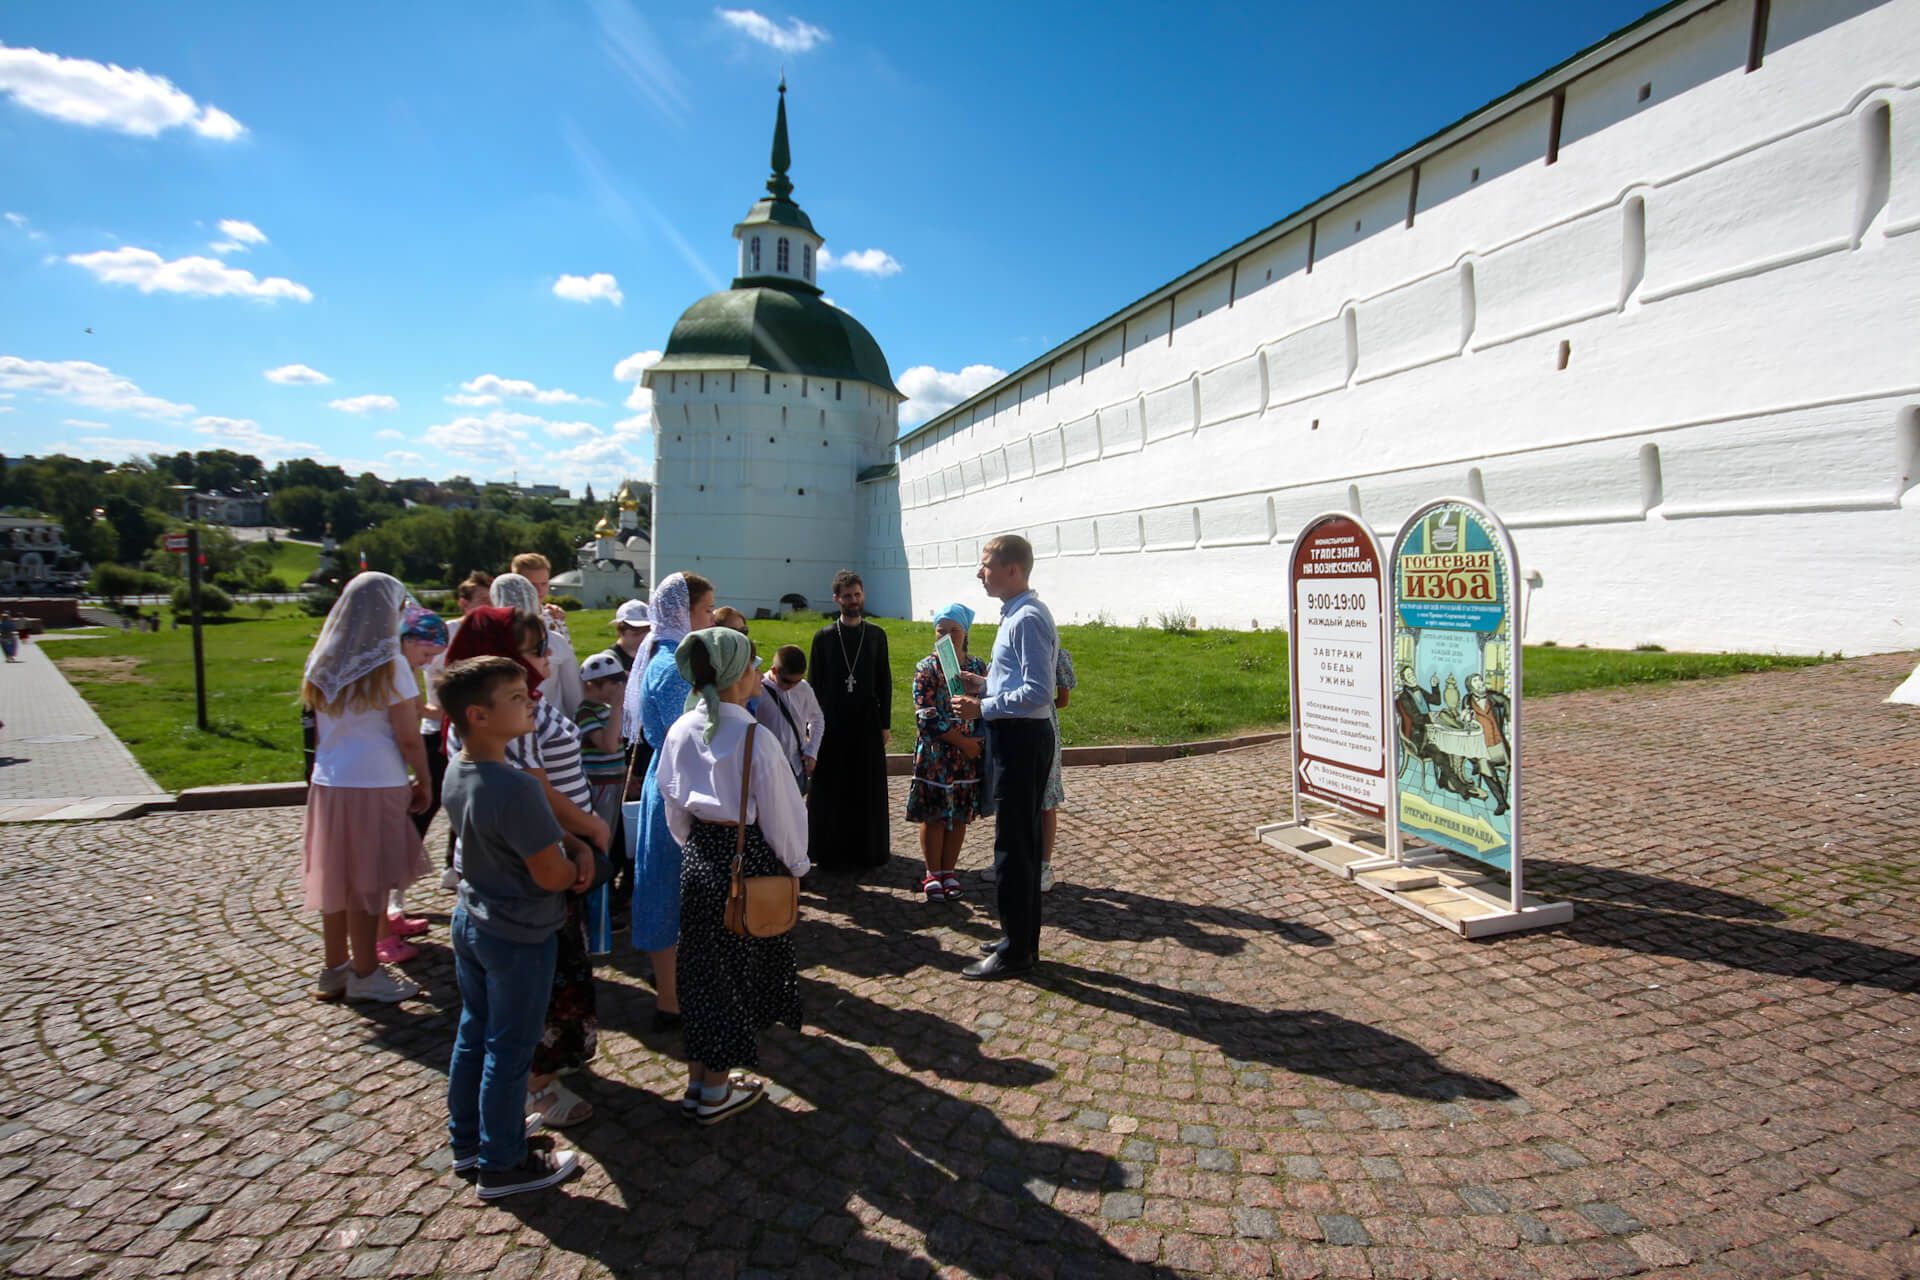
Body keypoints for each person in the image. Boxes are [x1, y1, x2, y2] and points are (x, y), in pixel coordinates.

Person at [444, 606, 608, 1130]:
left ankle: (472, 1133)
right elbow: (534, 790)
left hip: (506, 879)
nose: (544, 658)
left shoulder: (487, 727)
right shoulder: (504, 728)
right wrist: (585, 840)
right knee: (519, 1024)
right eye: (534, 648)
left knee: (491, 1023)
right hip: (529, 884)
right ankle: (513, 1129)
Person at [435, 654, 588, 1200]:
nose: (532, 703)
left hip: (473, 917)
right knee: (511, 1046)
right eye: (518, 698)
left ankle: (471, 1141)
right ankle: (504, 1162)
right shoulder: (516, 788)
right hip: (519, 931)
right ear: (478, 714)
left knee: (474, 1034)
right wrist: (579, 867)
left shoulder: (459, 767)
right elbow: (550, 874)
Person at [656, 627, 807, 1124]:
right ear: (736, 675)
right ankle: (716, 1091)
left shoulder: (681, 729)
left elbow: (673, 806)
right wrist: (796, 866)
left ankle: (701, 1080)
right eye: (750, 664)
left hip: (700, 857)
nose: (756, 670)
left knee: (700, 971)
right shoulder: (753, 737)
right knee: (734, 974)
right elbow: (783, 814)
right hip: (748, 860)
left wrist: (696, 848)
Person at [299, 572, 433, 1004]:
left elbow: (318, 728)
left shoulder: (322, 658)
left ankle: (334, 966)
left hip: (330, 779)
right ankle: (366, 971)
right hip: (377, 779)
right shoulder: (389, 662)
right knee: (369, 882)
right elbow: (408, 734)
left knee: (336, 879)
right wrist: (425, 779)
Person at [953, 535, 1057, 981]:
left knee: (1014, 848)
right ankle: (1020, 937)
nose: (981, 573)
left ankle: (1016, 951)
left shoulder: (1027, 618)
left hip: (1021, 738)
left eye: (986, 564)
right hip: (1018, 735)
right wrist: (983, 683)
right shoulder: (1016, 614)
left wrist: (983, 707)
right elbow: (1018, 676)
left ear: (1012, 569)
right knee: (1020, 843)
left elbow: (1039, 691)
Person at [629, 571, 715, 1032]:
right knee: (669, 890)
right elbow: (690, 738)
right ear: (683, 612)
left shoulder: (665, 655)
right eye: (705, 611)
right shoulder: (674, 665)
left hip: (669, 782)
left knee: (671, 888)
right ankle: (670, 998)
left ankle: (674, 985)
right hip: (678, 789)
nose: (711, 618)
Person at [806, 569, 892, 873]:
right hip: (832, 721)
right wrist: (811, 724)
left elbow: (884, 681)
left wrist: (885, 723)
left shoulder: (877, 635)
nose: (853, 601)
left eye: (857, 595)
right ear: (836, 599)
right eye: (847, 596)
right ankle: (829, 848)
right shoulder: (824, 637)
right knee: (833, 785)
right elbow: (814, 683)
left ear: (862, 595)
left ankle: (868, 850)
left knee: (865, 785)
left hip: (867, 720)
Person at [907, 604, 987, 903]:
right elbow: (925, 715)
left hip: (968, 754)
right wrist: (961, 742)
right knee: (936, 814)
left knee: (960, 814)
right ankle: (933, 872)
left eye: (954, 630)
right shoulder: (925, 668)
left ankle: (949, 871)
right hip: (936, 753)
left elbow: (989, 703)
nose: (948, 636)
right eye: (942, 631)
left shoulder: (977, 668)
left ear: (965, 633)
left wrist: (975, 742)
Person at [386, 605, 449, 949]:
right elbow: (408, 732)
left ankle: (387, 918)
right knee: (390, 843)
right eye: (425, 654)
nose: (427, 663)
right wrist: (423, 778)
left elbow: (415, 709)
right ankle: (383, 924)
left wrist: (433, 710)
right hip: (386, 767)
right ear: (407, 639)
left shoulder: (402, 665)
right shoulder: (396, 668)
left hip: (387, 767)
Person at [496, 565, 583, 718]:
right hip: (550, 726)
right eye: (532, 585)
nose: (539, 591)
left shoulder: (483, 637)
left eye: (544, 584)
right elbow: (575, 696)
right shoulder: (555, 641)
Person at [753, 645, 821, 799]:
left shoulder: (803, 689)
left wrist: (812, 751)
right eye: (787, 681)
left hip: (795, 767)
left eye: (797, 681)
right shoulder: (758, 691)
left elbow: (817, 719)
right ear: (774, 671)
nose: (791, 687)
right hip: (768, 768)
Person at [575, 652, 628, 839]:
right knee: (603, 835)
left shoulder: (606, 710)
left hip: (616, 779)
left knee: (614, 835)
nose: (619, 688)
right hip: (600, 784)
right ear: (591, 686)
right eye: (613, 684)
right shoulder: (586, 712)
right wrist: (616, 707)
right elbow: (609, 746)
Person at [1038, 646, 1078, 893]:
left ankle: (1044, 865)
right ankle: (1010, 858)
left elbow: (1063, 699)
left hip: (1043, 727)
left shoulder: (1055, 653)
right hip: (1015, 724)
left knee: (1045, 799)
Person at [607, 599, 650, 677]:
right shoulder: (609, 661)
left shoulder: (650, 656)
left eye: (648, 632)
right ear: (620, 631)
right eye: (636, 634)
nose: (644, 638)